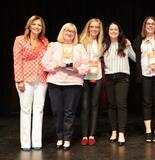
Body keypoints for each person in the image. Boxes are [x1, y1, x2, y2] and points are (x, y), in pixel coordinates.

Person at [41, 22, 89, 150]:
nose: (69, 33)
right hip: (55, 82)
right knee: (57, 112)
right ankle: (60, 137)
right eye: (67, 30)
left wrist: (76, 69)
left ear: (75, 34)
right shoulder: (54, 46)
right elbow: (44, 63)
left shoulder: (79, 47)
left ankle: (67, 138)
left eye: (72, 31)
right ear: (62, 32)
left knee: (69, 112)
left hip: (73, 83)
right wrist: (56, 65)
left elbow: (87, 65)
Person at [13, 15, 49, 151]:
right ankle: (26, 143)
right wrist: (19, 80)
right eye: (34, 24)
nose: (37, 27)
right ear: (29, 25)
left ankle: (36, 142)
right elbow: (17, 60)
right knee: (26, 110)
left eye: (39, 25)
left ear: (42, 28)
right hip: (25, 79)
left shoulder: (45, 41)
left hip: (41, 79)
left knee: (39, 110)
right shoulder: (20, 40)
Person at [133, 16, 155, 143]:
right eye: (148, 24)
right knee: (146, 102)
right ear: (144, 26)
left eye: (152, 24)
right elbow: (135, 57)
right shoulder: (138, 40)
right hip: (145, 75)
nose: (150, 26)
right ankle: (148, 130)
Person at [103, 22, 136, 146]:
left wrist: (130, 46)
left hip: (123, 77)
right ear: (108, 31)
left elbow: (135, 58)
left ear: (119, 31)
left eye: (115, 29)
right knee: (111, 105)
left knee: (121, 104)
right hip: (109, 77)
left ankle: (121, 133)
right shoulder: (104, 45)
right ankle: (114, 131)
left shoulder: (125, 44)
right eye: (111, 29)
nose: (113, 31)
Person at [79, 18, 104, 146]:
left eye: (97, 27)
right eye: (92, 27)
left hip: (97, 76)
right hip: (84, 77)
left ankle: (91, 135)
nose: (94, 29)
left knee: (94, 105)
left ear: (100, 29)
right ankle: (84, 135)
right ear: (88, 28)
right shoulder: (80, 41)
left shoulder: (102, 43)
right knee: (84, 106)